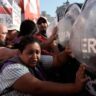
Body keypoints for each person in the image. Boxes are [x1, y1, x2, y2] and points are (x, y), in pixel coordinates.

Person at [0, 36, 87, 96]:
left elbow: (57, 60)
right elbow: (38, 87)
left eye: (37, 52)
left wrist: (67, 52)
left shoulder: (35, 60)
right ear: (20, 53)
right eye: (30, 53)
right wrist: (75, 87)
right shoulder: (12, 68)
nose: (35, 56)